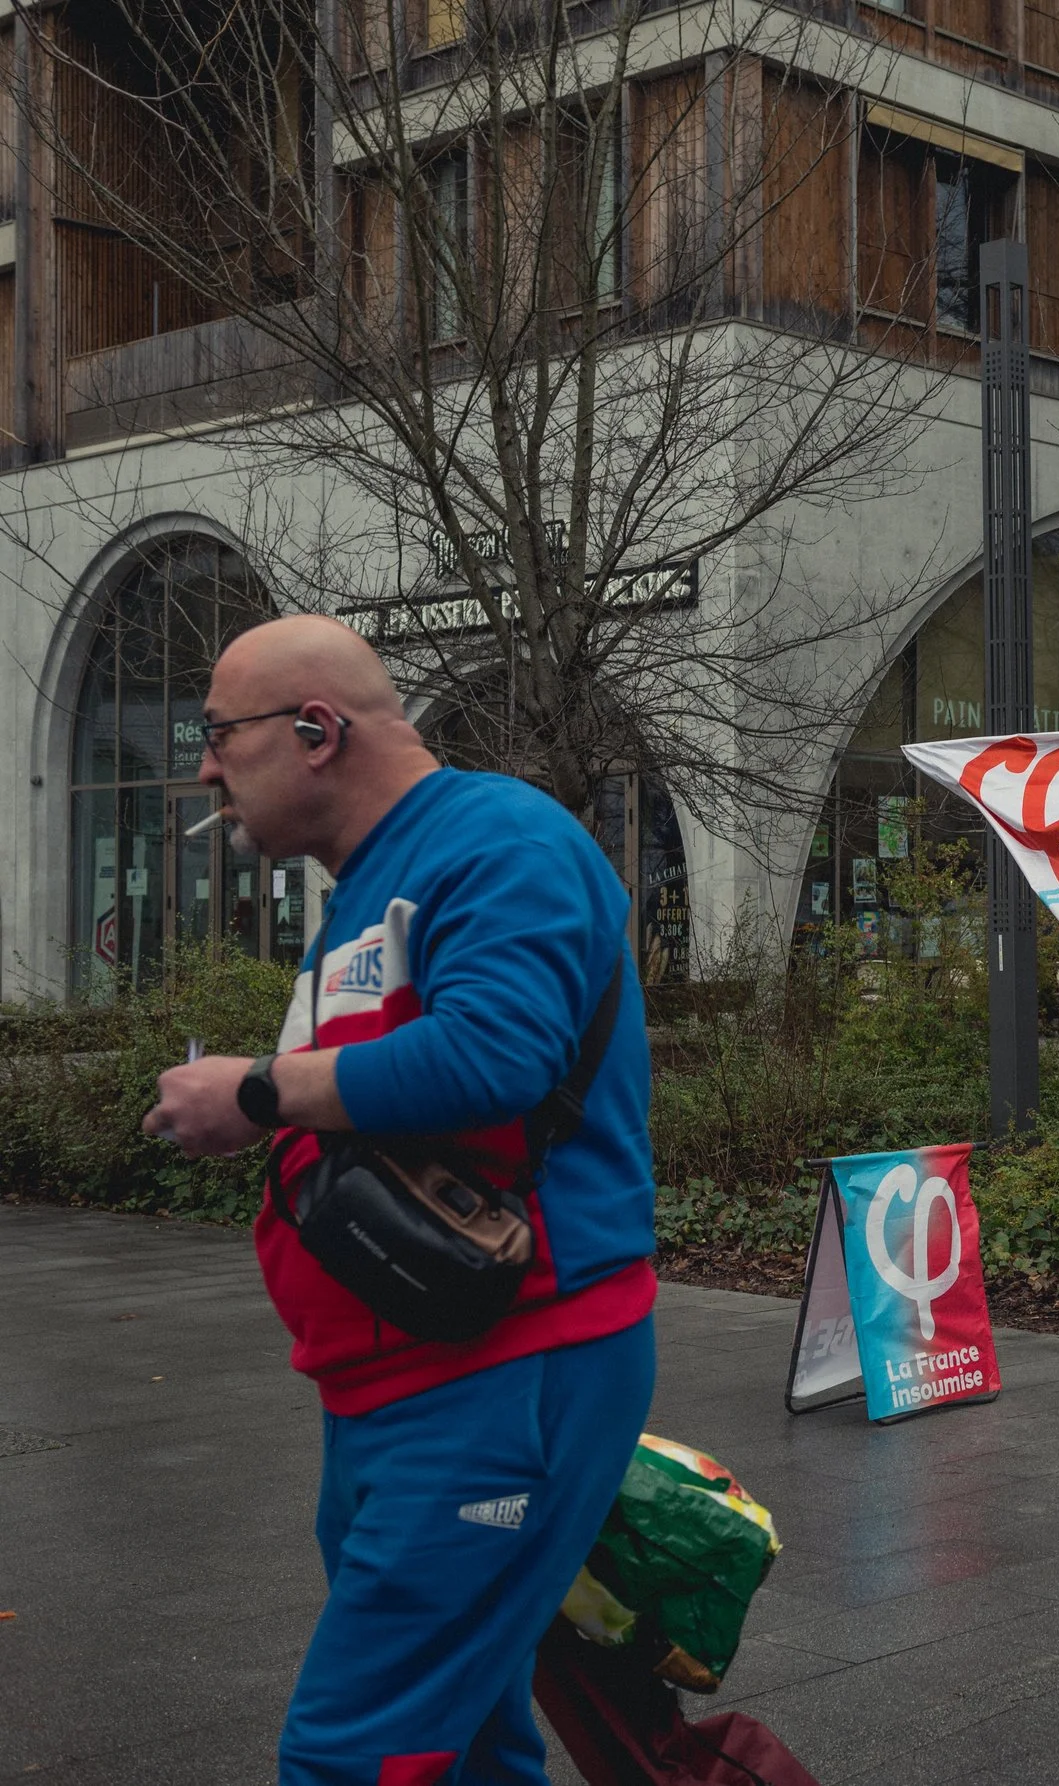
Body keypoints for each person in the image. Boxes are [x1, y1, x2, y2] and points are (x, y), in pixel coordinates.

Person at [144, 616, 657, 1784]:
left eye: (221, 735)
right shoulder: (379, 881)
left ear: (316, 730)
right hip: (407, 1383)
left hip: (498, 1374)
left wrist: (259, 1093)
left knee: (356, 1755)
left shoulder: (495, 838)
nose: (208, 766)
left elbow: (496, 1056)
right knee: (464, 1743)